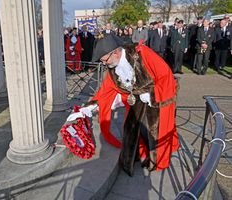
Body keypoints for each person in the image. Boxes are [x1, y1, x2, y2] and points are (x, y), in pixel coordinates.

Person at [67, 34, 179, 176]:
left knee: (154, 131)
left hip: (155, 97)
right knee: (130, 127)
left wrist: (152, 95)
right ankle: (133, 158)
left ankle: (156, 161)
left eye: (105, 60)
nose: (104, 64)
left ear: (115, 52)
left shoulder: (142, 53)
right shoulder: (113, 67)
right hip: (135, 99)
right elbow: (105, 91)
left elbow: (165, 75)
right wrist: (87, 108)